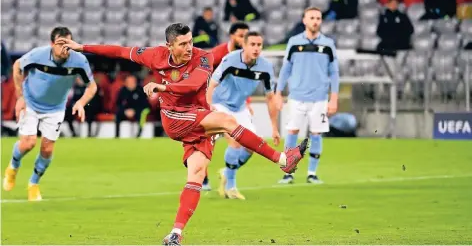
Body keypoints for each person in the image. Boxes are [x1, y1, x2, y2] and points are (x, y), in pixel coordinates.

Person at [58, 23, 307, 246]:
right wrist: (82, 46)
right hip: (175, 118)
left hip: (198, 117)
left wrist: (161, 86)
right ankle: (282, 160)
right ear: (169, 45)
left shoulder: (203, 58)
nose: (189, 47)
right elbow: (120, 51)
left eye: (190, 42)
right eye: (183, 44)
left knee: (196, 175)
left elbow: (192, 85)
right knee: (228, 121)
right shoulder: (156, 55)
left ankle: (175, 233)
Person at [2, 27, 97, 201]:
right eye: (61, 44)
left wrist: (81, 102)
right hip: (31, 103)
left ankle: (33, 183)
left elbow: (92, 86)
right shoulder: (38, 55)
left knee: (47, 149)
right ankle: (13, 167)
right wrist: (20, 97)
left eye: (68, 43)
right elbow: (17, 67)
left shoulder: (79, 61)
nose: (65, 48)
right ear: (52, 44)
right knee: (28, 143)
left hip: (55, 108)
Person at [207, 31, 280, 200]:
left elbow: (270, 99)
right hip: (220, 104)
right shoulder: (230, 60)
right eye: (252, 44)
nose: (256, 48)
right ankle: (231, 187)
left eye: (259, 45)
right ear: (245, 46)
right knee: (235, 141)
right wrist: (209, 107)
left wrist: (274, 128)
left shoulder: (265, 67)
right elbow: (211, 84)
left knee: (252, 145)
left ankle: (227, 171)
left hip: (240, 108)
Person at [276, 7, 340, 185]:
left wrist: (334, 97)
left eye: (318, 18)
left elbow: (334, 72)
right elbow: (285, 69)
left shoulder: (328, 44)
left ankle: (312, 173)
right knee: (292, 132)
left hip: (319, 97)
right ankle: (289, 172)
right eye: (312, 18)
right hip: (297, 96)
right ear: (304, 20)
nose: (315, 21)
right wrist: (278, 93)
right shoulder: (294, 42)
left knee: (316, 133)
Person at [200, 21, 250, 191]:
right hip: (213, 103)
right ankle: (207, 180)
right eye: (241, 36)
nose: (244, 40)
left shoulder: (246, 56)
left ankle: (227, 173)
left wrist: (247, 102)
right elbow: (200, 74)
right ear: (232, 36)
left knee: (249, 145)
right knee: (206, 141)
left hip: (235, 105)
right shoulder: (217, 54)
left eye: (246, 36)